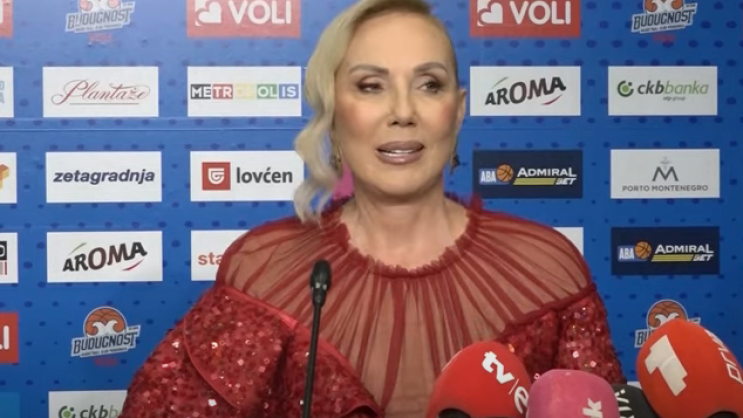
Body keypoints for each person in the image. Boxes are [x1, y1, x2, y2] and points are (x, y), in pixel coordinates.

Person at [119, 0, 626, 417]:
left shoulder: (547, 271)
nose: (403, 112)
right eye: (371, 86)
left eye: (429, 84)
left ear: (458, 111)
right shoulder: (263, 273)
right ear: (334, 114)